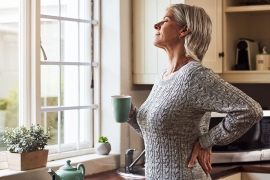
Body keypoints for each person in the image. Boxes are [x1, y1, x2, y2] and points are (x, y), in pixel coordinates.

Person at [127, 3, 263, 180]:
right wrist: (132, 116)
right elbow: (159, 136)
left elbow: (250, 109)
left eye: (165, 20)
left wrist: (206, 141)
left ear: (184, 30)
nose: (156, 25)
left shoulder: (194, 76)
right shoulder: (162, 77)